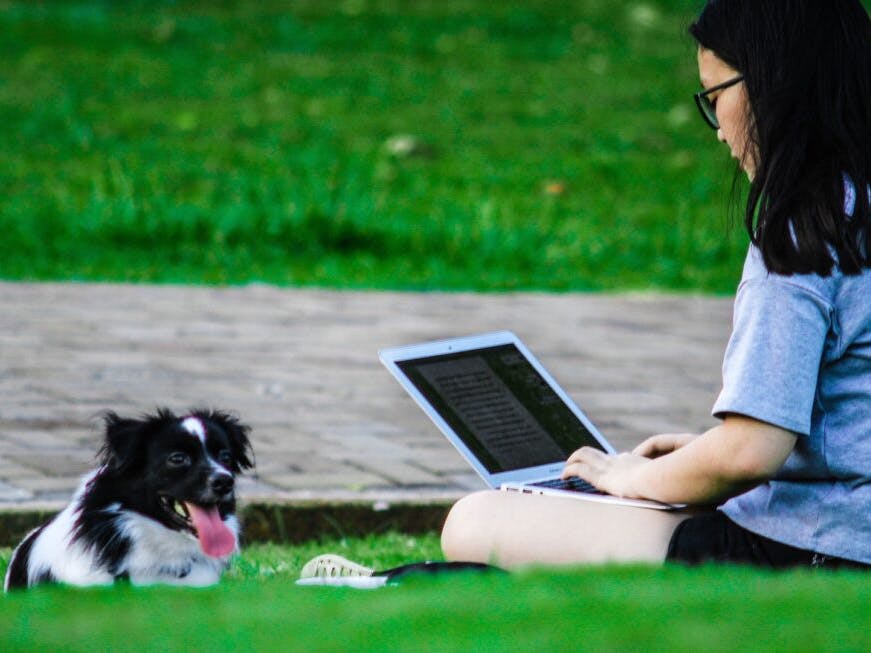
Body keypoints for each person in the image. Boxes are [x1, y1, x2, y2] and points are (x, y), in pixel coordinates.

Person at [440, 0, 871, 570]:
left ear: (772, 84)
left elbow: (748, 453)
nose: (718, 130)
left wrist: (634, 476)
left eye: (715, 97)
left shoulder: (805, 233)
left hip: (816, 547)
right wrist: (696, 456)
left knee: (476, 520)